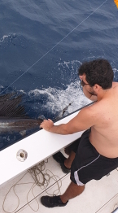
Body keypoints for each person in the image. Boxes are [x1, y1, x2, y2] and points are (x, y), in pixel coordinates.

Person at [39, 59, 118, 208]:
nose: (81, 86)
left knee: (78, 179)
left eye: (83, 84)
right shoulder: (113, 86)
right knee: (78, 144)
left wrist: (50, 127)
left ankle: (62, 200)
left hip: (100, 157)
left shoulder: (92, 112)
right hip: (97, 136)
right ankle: (66, 164)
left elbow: (66, 129)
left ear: (96, 86)